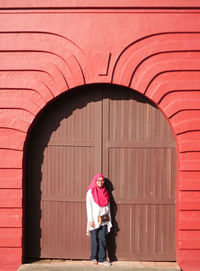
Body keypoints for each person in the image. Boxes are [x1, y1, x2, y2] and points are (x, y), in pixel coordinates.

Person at [86, 173, 112, 266]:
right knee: (94, 238)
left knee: (102, 238)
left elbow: (108, 207)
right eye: (98, 180)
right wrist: (90, 220)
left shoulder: (106, 192)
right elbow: (89, 207)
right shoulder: (90, 192)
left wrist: (109, 220)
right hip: (94, 218)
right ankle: (93, 257)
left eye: (102, 180)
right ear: (95, 181)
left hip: (104, 218)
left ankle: (102, 259)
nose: (100, 182)